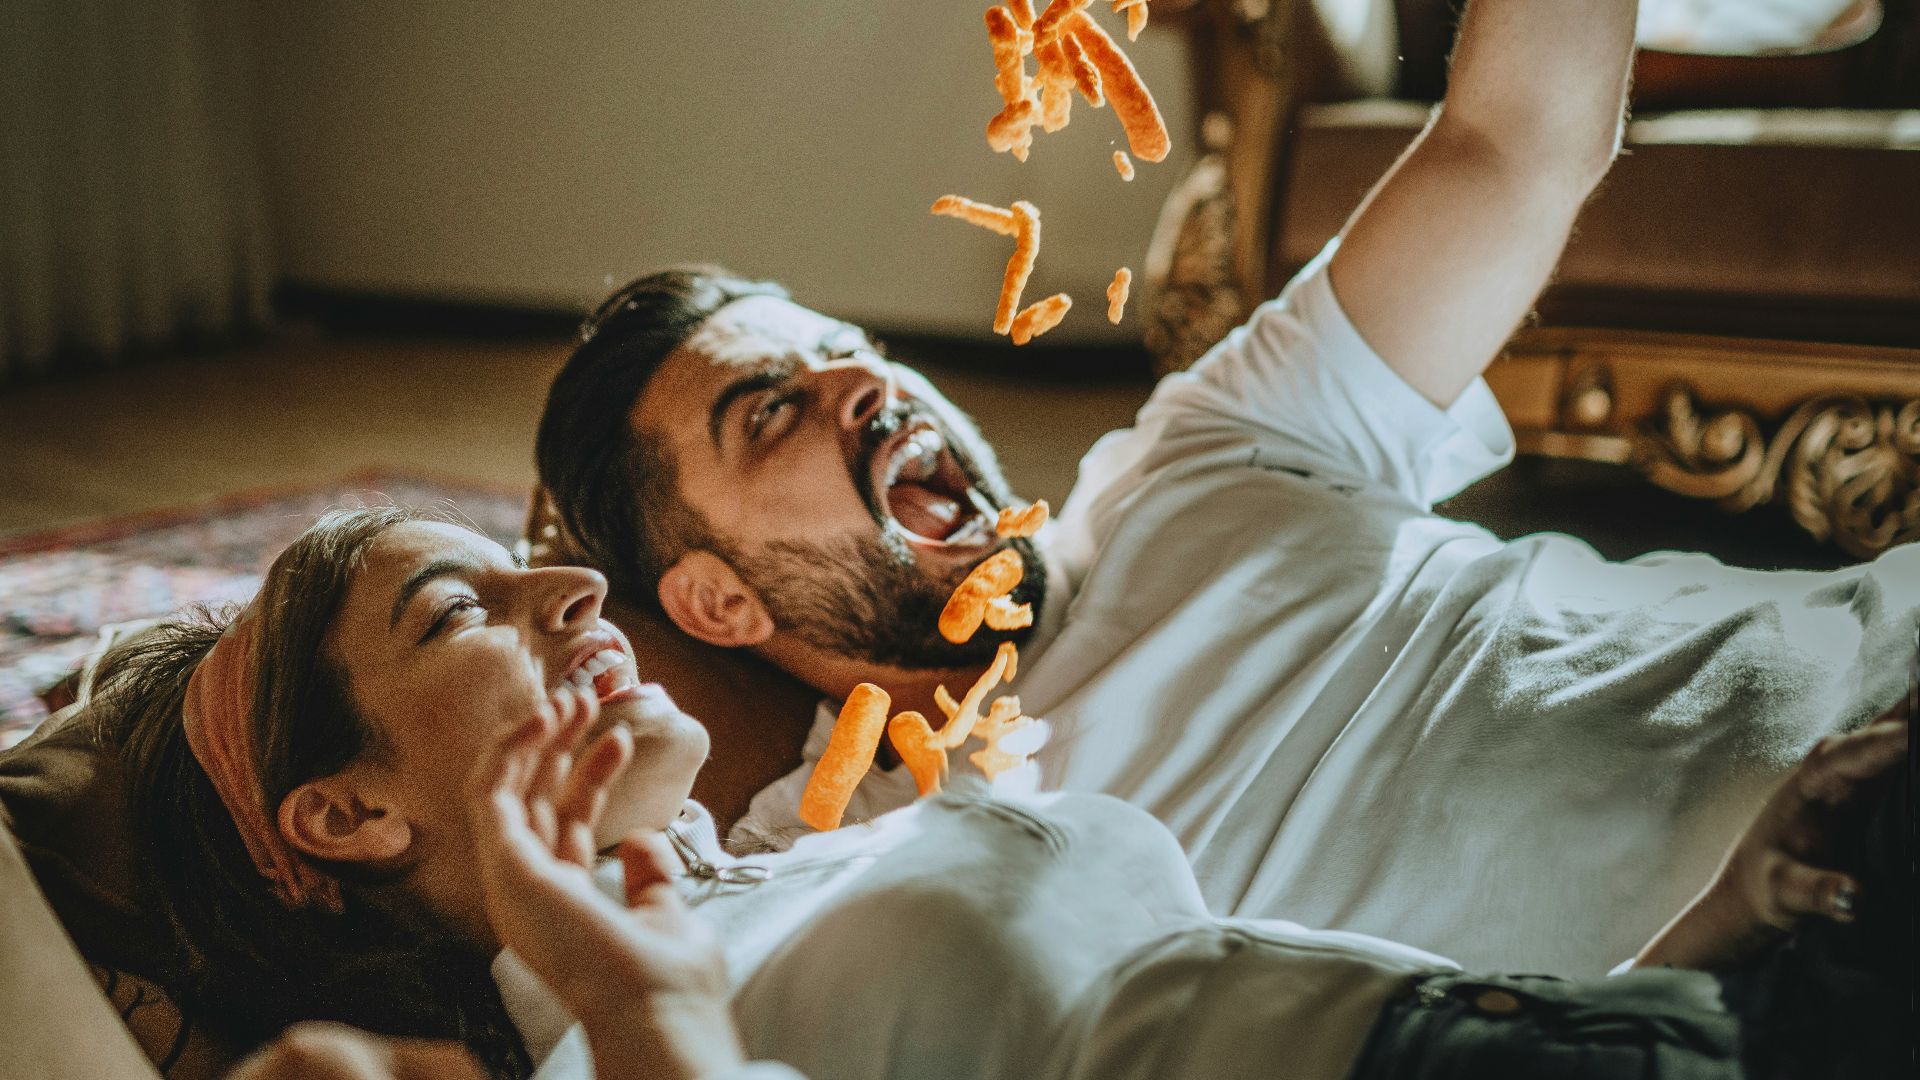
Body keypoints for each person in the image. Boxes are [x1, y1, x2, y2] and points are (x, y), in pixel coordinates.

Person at [532, 0, 1920, 978]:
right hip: (1790, 956)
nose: (866, 388)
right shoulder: (856, 863)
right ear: (709, 599)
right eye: (771, 410)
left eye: (853, 352)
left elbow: (1518, 142)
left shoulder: (1203, 449)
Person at [75, 508, 1911, 1080]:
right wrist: (631, 990)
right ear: (344, 815)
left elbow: (1261, 997)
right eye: (460, 609)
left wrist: (1713, 938)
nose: (575, 596)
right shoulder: (581, 1054)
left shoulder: (797, 864)